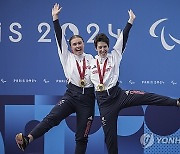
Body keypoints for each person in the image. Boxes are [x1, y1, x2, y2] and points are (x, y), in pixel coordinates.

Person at [90, 9, 180, 154]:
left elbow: (123, 38)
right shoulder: (90, 62)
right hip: (104, 103)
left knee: (146, 96)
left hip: (119, 95)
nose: (103, 50)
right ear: (95, 48)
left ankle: (176, 102)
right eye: (100, 47)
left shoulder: (115, 55)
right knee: (110, 137)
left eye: (105, 47)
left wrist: (130, 21)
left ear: (108, 46)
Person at [15, 3, 95, 154]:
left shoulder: (91, 58)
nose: (77, 46)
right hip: (72, 95)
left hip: (88, 100)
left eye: (80, 43)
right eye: (74, 44)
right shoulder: (66, 57)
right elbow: (59, 37)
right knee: (52, 118)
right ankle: (28, 140)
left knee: (82, 137)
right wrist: (55, 18)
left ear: (84, 44)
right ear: (70, 47)